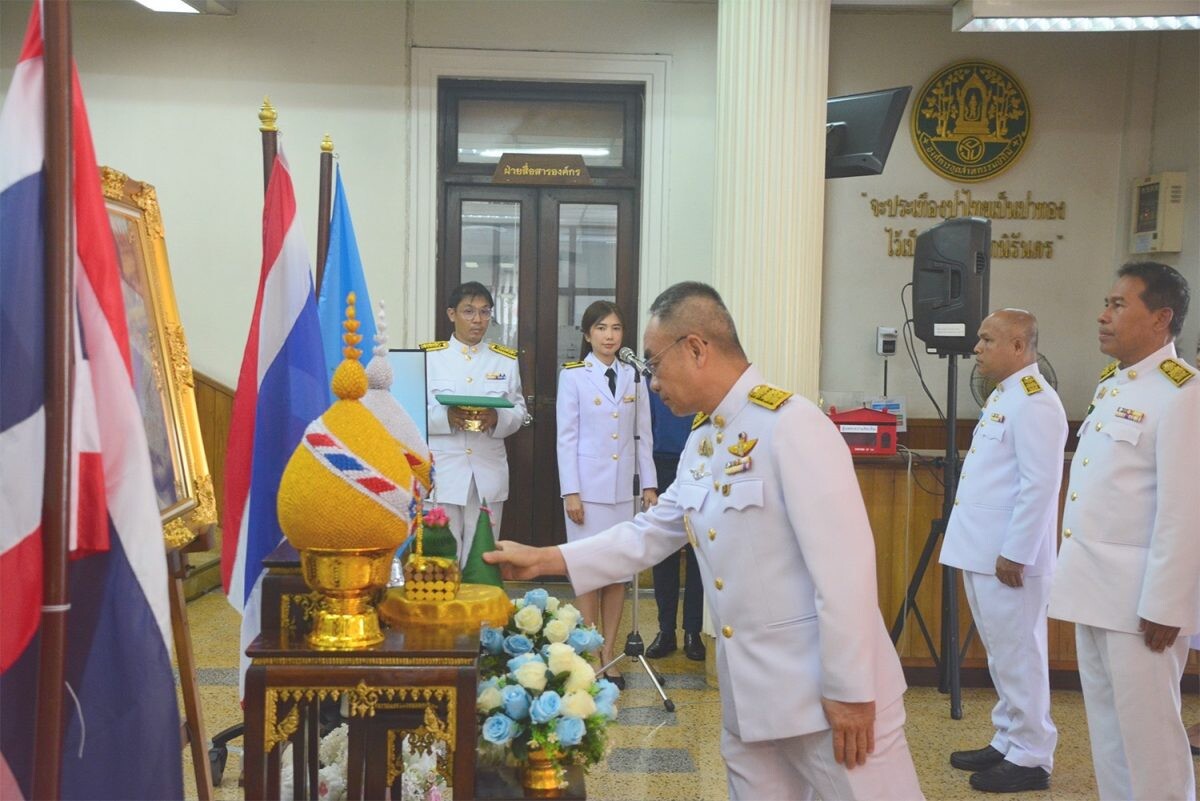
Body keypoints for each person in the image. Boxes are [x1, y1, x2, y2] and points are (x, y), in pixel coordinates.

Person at [486, 282, 924, 801]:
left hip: (825, 700)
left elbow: (845, 571)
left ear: (696, 348)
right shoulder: (705, 438)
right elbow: (653, 531)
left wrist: (852, 691)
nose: (650, 382)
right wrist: (546, 559)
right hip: (751, 699)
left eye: (653, 364)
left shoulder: (794, 426)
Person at [1048, 262, 1200, 801]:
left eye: (1117, 305)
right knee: (1110, 733)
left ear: (1161, 318)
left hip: (1142, 603)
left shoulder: (1183, 394)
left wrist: (1168, 603)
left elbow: (1186, 509)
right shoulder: (1116, 384)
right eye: (1106, 303)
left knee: (1150, 736)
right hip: (1095, 590)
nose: (1102, 315)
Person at [939, 309, 1066, 793]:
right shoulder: (1007, 396)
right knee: (1001, 654)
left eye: (987, 339)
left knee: (1019, 655)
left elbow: (1040, 486)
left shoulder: (1036, 401)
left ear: (1018, 345)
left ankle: (1033, 754)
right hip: (983, 550)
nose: (976, 347)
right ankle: (1009, 738)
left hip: (1008, 558)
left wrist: (1016, 552)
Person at [556, 300, 658, 689]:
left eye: (616, 328)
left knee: (617, 575)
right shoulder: (574, 377)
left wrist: (648, 485)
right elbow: (566, 439)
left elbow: (643, 435)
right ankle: (589, 652)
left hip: (623, 492)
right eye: (601, 328)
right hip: (587, 491)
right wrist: (571, 492)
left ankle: (610, 653)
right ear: (587, 334)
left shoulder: (634, 375)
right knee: (588, 574)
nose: (610, 336)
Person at [422, 281, 527, 566]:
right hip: (444, 472)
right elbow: (413, 412)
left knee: (482, 558)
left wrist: (497, 418)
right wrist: (446, 418)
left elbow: (519, 411)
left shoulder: (504, 360)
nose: (478, 320)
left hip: (487, 471)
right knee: (442, 558)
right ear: (451, 314)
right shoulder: (430, 358)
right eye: (469, 311)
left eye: (484, 312)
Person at [644, 388, 706, 662]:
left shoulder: (704, 379)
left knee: (698, 553)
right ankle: (665, 631)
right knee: (663, 552)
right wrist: (649, 482)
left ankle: (693, 631)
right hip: (662, 464)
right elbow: (643, 430)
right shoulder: (654, 382)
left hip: (700, 464)